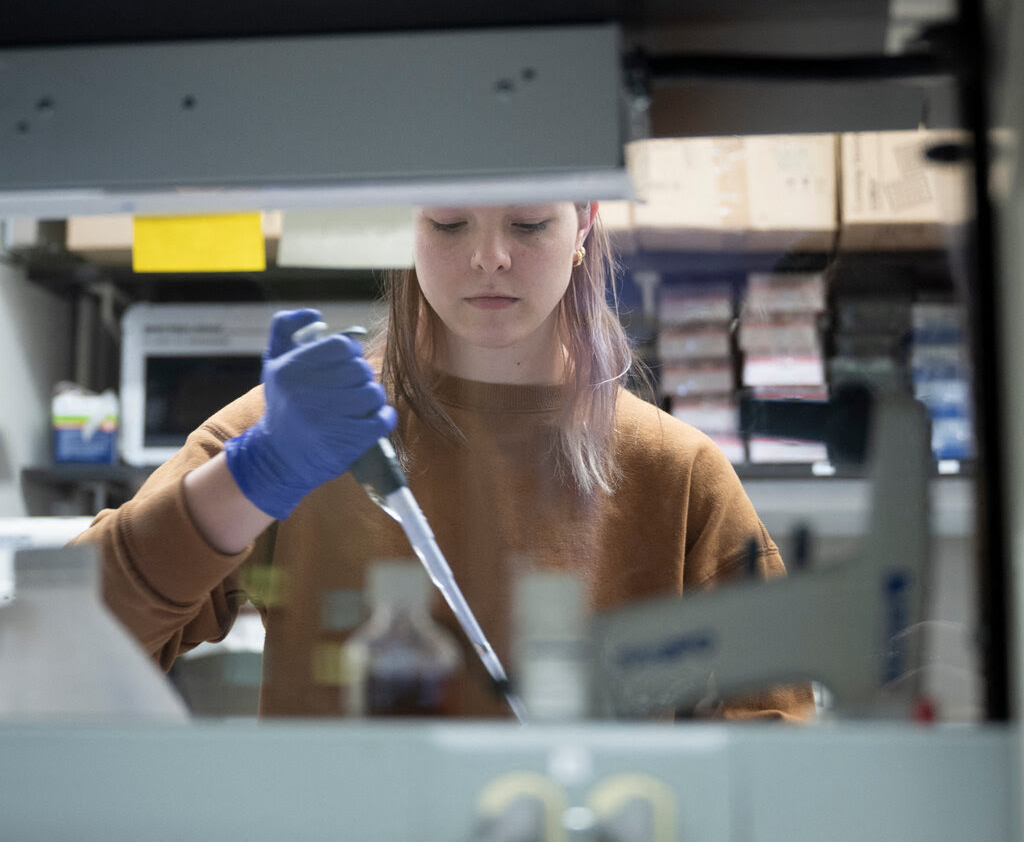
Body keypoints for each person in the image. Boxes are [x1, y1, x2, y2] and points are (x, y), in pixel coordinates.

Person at [73, 201, 813, 720]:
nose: (490, 255)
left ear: (585, 220)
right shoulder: (303, 431)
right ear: (403, 227)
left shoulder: (677, 473)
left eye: (528, 224)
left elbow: (774, 741)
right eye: (448, 223)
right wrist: (249, 480)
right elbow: (70, 641)